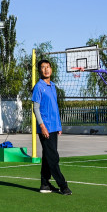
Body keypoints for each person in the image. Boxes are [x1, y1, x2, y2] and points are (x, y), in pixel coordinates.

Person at [31, 59, 70, 195]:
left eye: (48, 67)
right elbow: (36, 108)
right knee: (53, 156)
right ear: (39, 71)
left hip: (54, 127)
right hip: (45, 128)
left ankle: (44, 184)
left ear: (51, 69)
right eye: (43, 67)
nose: (46, 69)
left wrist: (58, 125)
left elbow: (54, 107)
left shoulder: (52, 86)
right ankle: (63, 185)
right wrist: (42, 126)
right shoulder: (38, 87)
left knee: (48, 156)